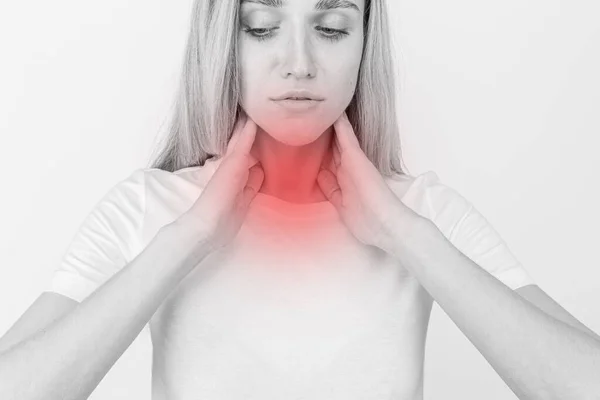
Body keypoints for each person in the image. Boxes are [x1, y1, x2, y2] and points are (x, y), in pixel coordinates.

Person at [1, 0, 599, 399]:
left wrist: (403, 235)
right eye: (262, 25)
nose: (299, 64)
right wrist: (189, 238)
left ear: (366, 41)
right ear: (222, 39)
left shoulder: (422, 215)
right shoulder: (148, 209)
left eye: (332, 27)